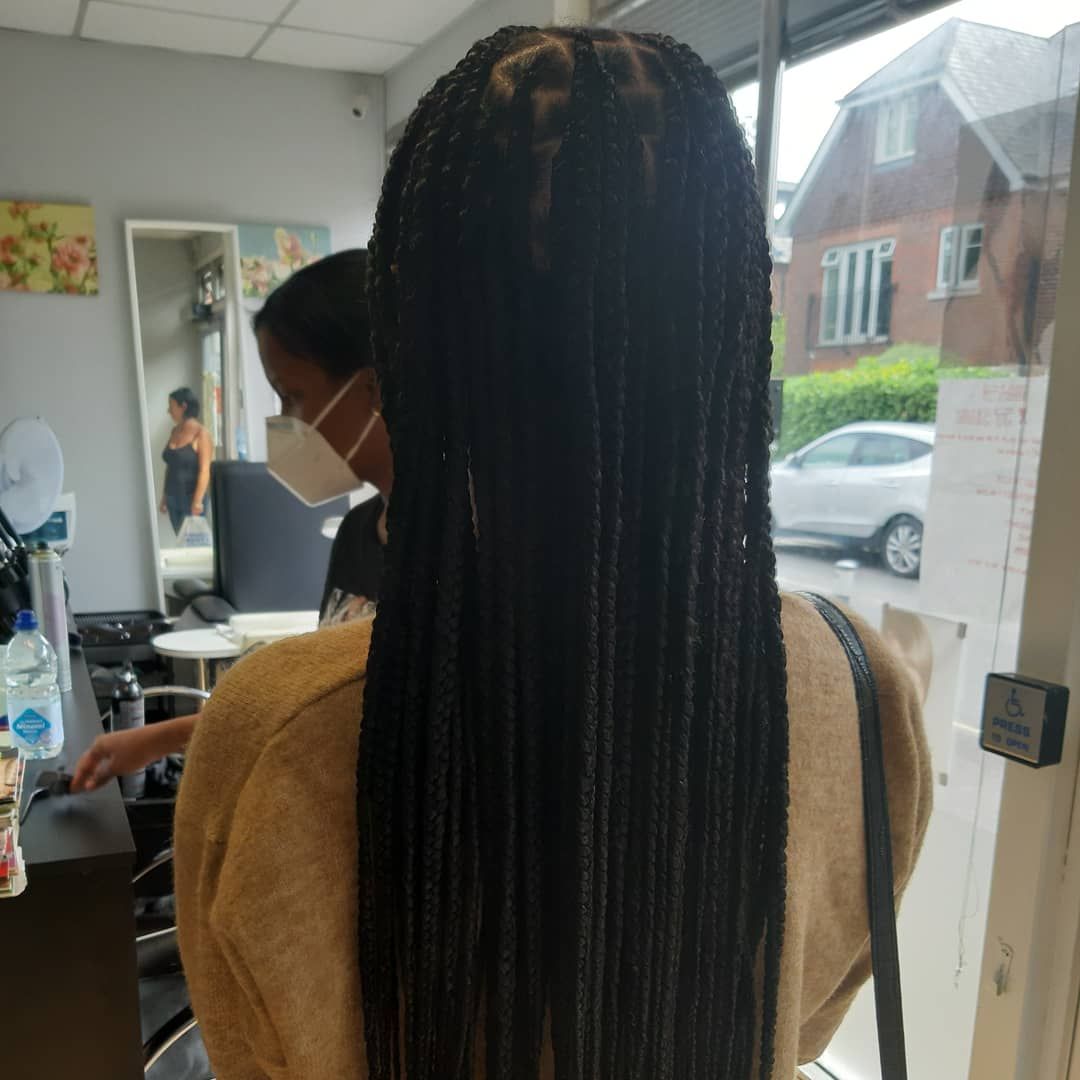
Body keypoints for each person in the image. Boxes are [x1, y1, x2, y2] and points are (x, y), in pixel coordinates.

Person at [175, 28, 932, 1080]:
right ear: (733, 310)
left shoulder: (279, 738)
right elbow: (805, 1026)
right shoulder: (862, 691)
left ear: (408, 334)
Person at [72, 252, 386, 794]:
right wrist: (154, 738)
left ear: (373, 389)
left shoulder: (467, 555)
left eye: (294, 394)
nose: (285, 421)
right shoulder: (358, 535)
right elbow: (313, 707)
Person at [159, 387, 212, 536]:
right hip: (172, 498)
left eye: (171, 406)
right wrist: (164, 496)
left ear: (183, 407)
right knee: (181, 542)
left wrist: (197, 501)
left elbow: (205, 470)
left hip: (191, 499)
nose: (168, 410)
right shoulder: (174, 431)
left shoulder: (201, 433)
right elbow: (170, 466)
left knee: (193, 547)